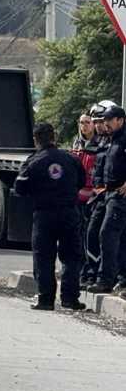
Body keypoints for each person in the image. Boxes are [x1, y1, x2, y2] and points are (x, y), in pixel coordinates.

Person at [13, 122, 86, 311]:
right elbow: (81, 182)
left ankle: (45, 299)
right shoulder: (70, 159)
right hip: (69, 212)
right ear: (54, 137)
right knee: (71, 257)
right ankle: (70, 299)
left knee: (44, 257)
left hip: (44, 214)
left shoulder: (32, 162)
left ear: (36, 140)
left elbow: (20, 189)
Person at [89, 105, 126, 295]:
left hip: (120, 196)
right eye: (104, 121)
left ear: (120, 120)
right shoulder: (112, 140)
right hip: (108, 194)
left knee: (107, 234)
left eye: (109, 120)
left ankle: (105, 280)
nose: (105, 124)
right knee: (116, 238)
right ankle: (121, 279)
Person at [78, 105, 112, 287]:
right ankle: (88, 272)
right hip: (90, 196)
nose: (96, 126)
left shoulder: (115, 142)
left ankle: (100, 275)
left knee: (101, 235)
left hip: (106, 196)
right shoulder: (85, 144)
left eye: (99, 122)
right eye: (94, 122)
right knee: (87, 235)